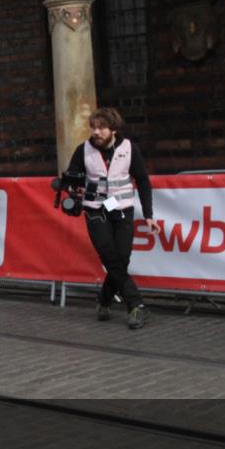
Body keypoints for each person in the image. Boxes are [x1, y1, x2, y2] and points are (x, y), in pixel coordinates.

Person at [65, 107, 158, 330]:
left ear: (113, 129)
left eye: (101, 128)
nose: (96, 132)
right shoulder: (83, 150)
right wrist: (71, 191)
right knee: (109, 256)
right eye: (93, 127)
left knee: (121, 258)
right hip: (95, 210)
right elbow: (72, 179)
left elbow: (143, 181)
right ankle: (136, 305)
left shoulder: (128, 149)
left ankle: (104, 300)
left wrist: (148, 215)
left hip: (122, 209)